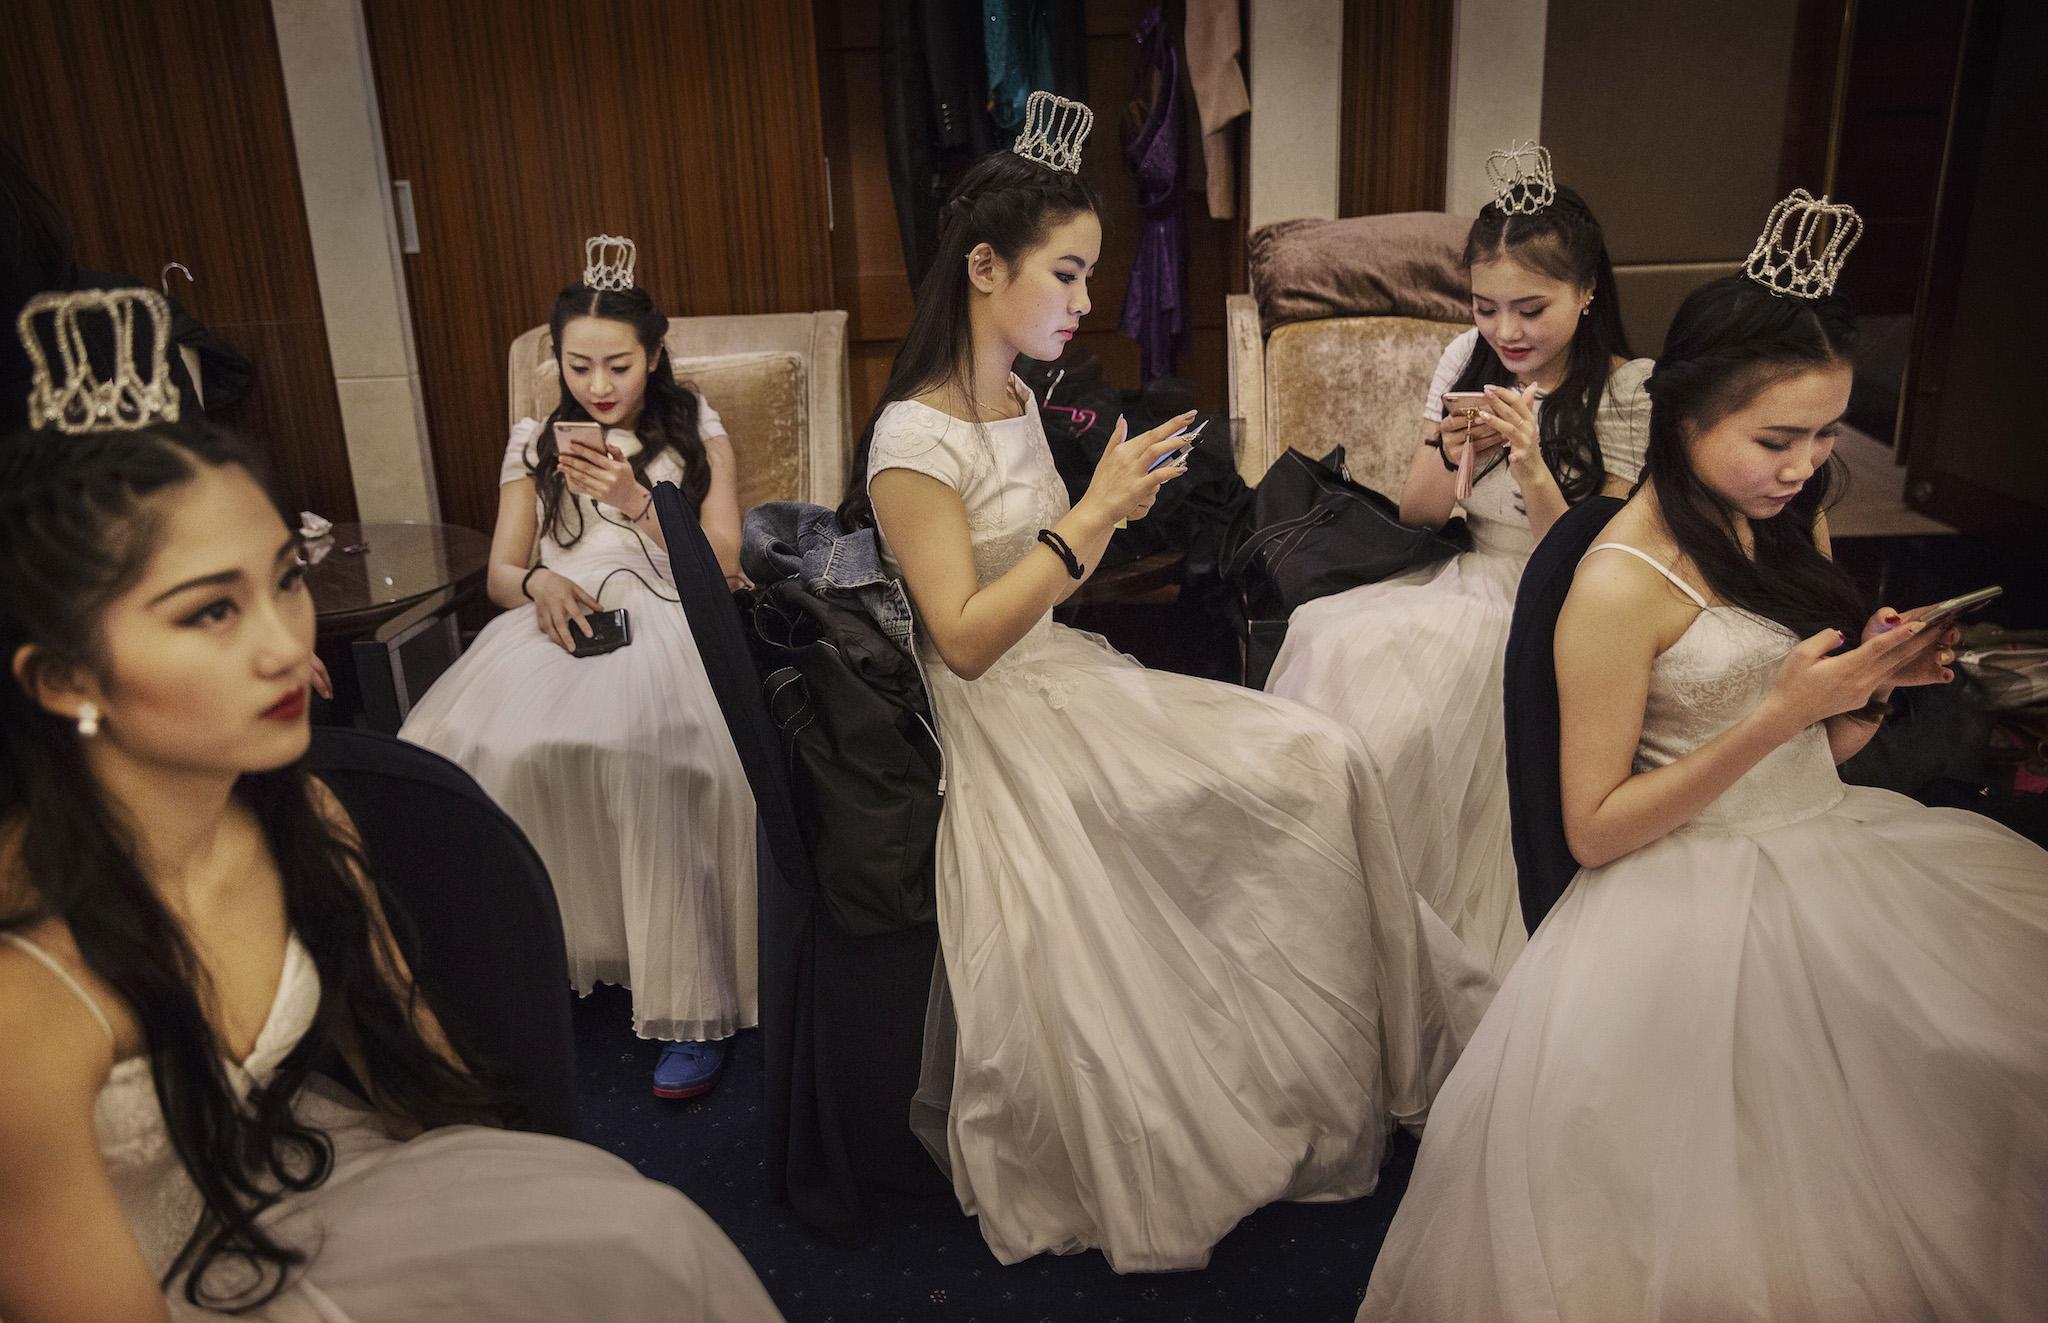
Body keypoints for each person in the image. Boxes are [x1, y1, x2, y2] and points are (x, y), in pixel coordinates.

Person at [0, 289, 782, 1322]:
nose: (289, 644)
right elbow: (509, 568)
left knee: (653, 1240)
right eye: (210, 612)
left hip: (311, 1184)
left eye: (285, 581)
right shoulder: (25, 1004)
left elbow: (426, 1084)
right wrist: (539, 584)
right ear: (63, 681)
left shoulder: (307, 818)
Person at [1358, 195, 2048, 1321]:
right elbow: (1593, 826)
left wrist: (1866, 691)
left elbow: (1822, 750)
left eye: (1825, 434)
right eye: (1776, 439)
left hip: (1827, 841)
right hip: (1683, 892)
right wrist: (1774, 716)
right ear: (1680, 415)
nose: (1806, 466)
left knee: (1988, 1054)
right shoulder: (1618, 579)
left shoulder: (1779, 519)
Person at [846, 91, 1492, 1274]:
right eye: (1069, 275)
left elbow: (1053, 580)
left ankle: (1316, 1052)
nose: (1088, 305)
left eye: (1092, 277)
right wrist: (1089, 515)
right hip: (999, 721)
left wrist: (1113, 514)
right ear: (984, 268)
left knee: (1318, 752)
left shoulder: (1013, 400)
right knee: (1298, 771)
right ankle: (1251, 1063)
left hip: (1067, 678)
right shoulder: (910, 441)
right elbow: (962, 640)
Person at [1266, 143, 1652, 979]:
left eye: (1530, 308)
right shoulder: (1461, 361)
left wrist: (1532, 463)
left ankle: (1437, 948)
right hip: (1465, 573)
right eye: (1485, 306)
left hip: (1563, 601)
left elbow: (1599, 559)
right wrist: (1450, 448)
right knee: (1337, 648)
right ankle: (1344, 925)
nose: (1504, 331)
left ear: (1587, 294)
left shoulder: (1627, 389)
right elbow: (1418, 514)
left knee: (1425, 710)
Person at [400, 240, 755, 1100]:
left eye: (620, 365)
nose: (600, 385)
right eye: (580, 363)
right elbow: (498, 569)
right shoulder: (534, 441)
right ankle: (529, 970)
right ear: (555, 360)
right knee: (466, 753)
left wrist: (637, 499)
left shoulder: (695, 426)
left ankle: (687, 999)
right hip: (561, 618)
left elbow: (724, 559)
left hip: (675, 615)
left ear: (656, 357)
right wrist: (538, 581)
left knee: (652, 758)